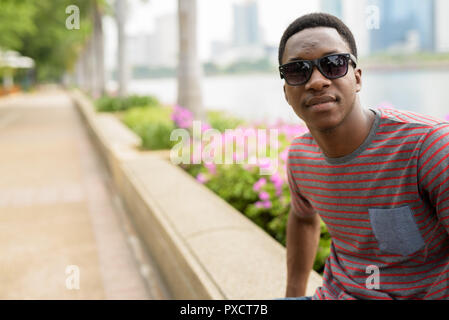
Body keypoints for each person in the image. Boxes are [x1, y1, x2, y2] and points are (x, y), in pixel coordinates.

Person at [280, 13, 449, 300]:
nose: (317, 81)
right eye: (298, 70)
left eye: (333, 64)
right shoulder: (301, 158)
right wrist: (292, 296)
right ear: (286, 92)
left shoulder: (428, 146)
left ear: (356, 78)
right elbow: (303, 217)